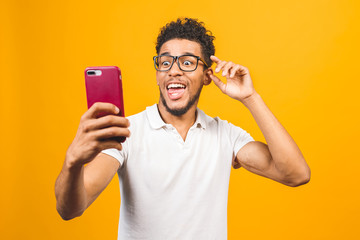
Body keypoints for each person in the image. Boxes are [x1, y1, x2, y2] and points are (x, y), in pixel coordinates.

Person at [55, 18, 310, 239]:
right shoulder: (126, 131)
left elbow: (296, 174)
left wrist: (250, 97)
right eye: (165, 63)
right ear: (157, 74)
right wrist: (72, 163)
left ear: (207, 76)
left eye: (187, 63)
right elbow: (71, 209)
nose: (174, 71)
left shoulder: (226, 135)